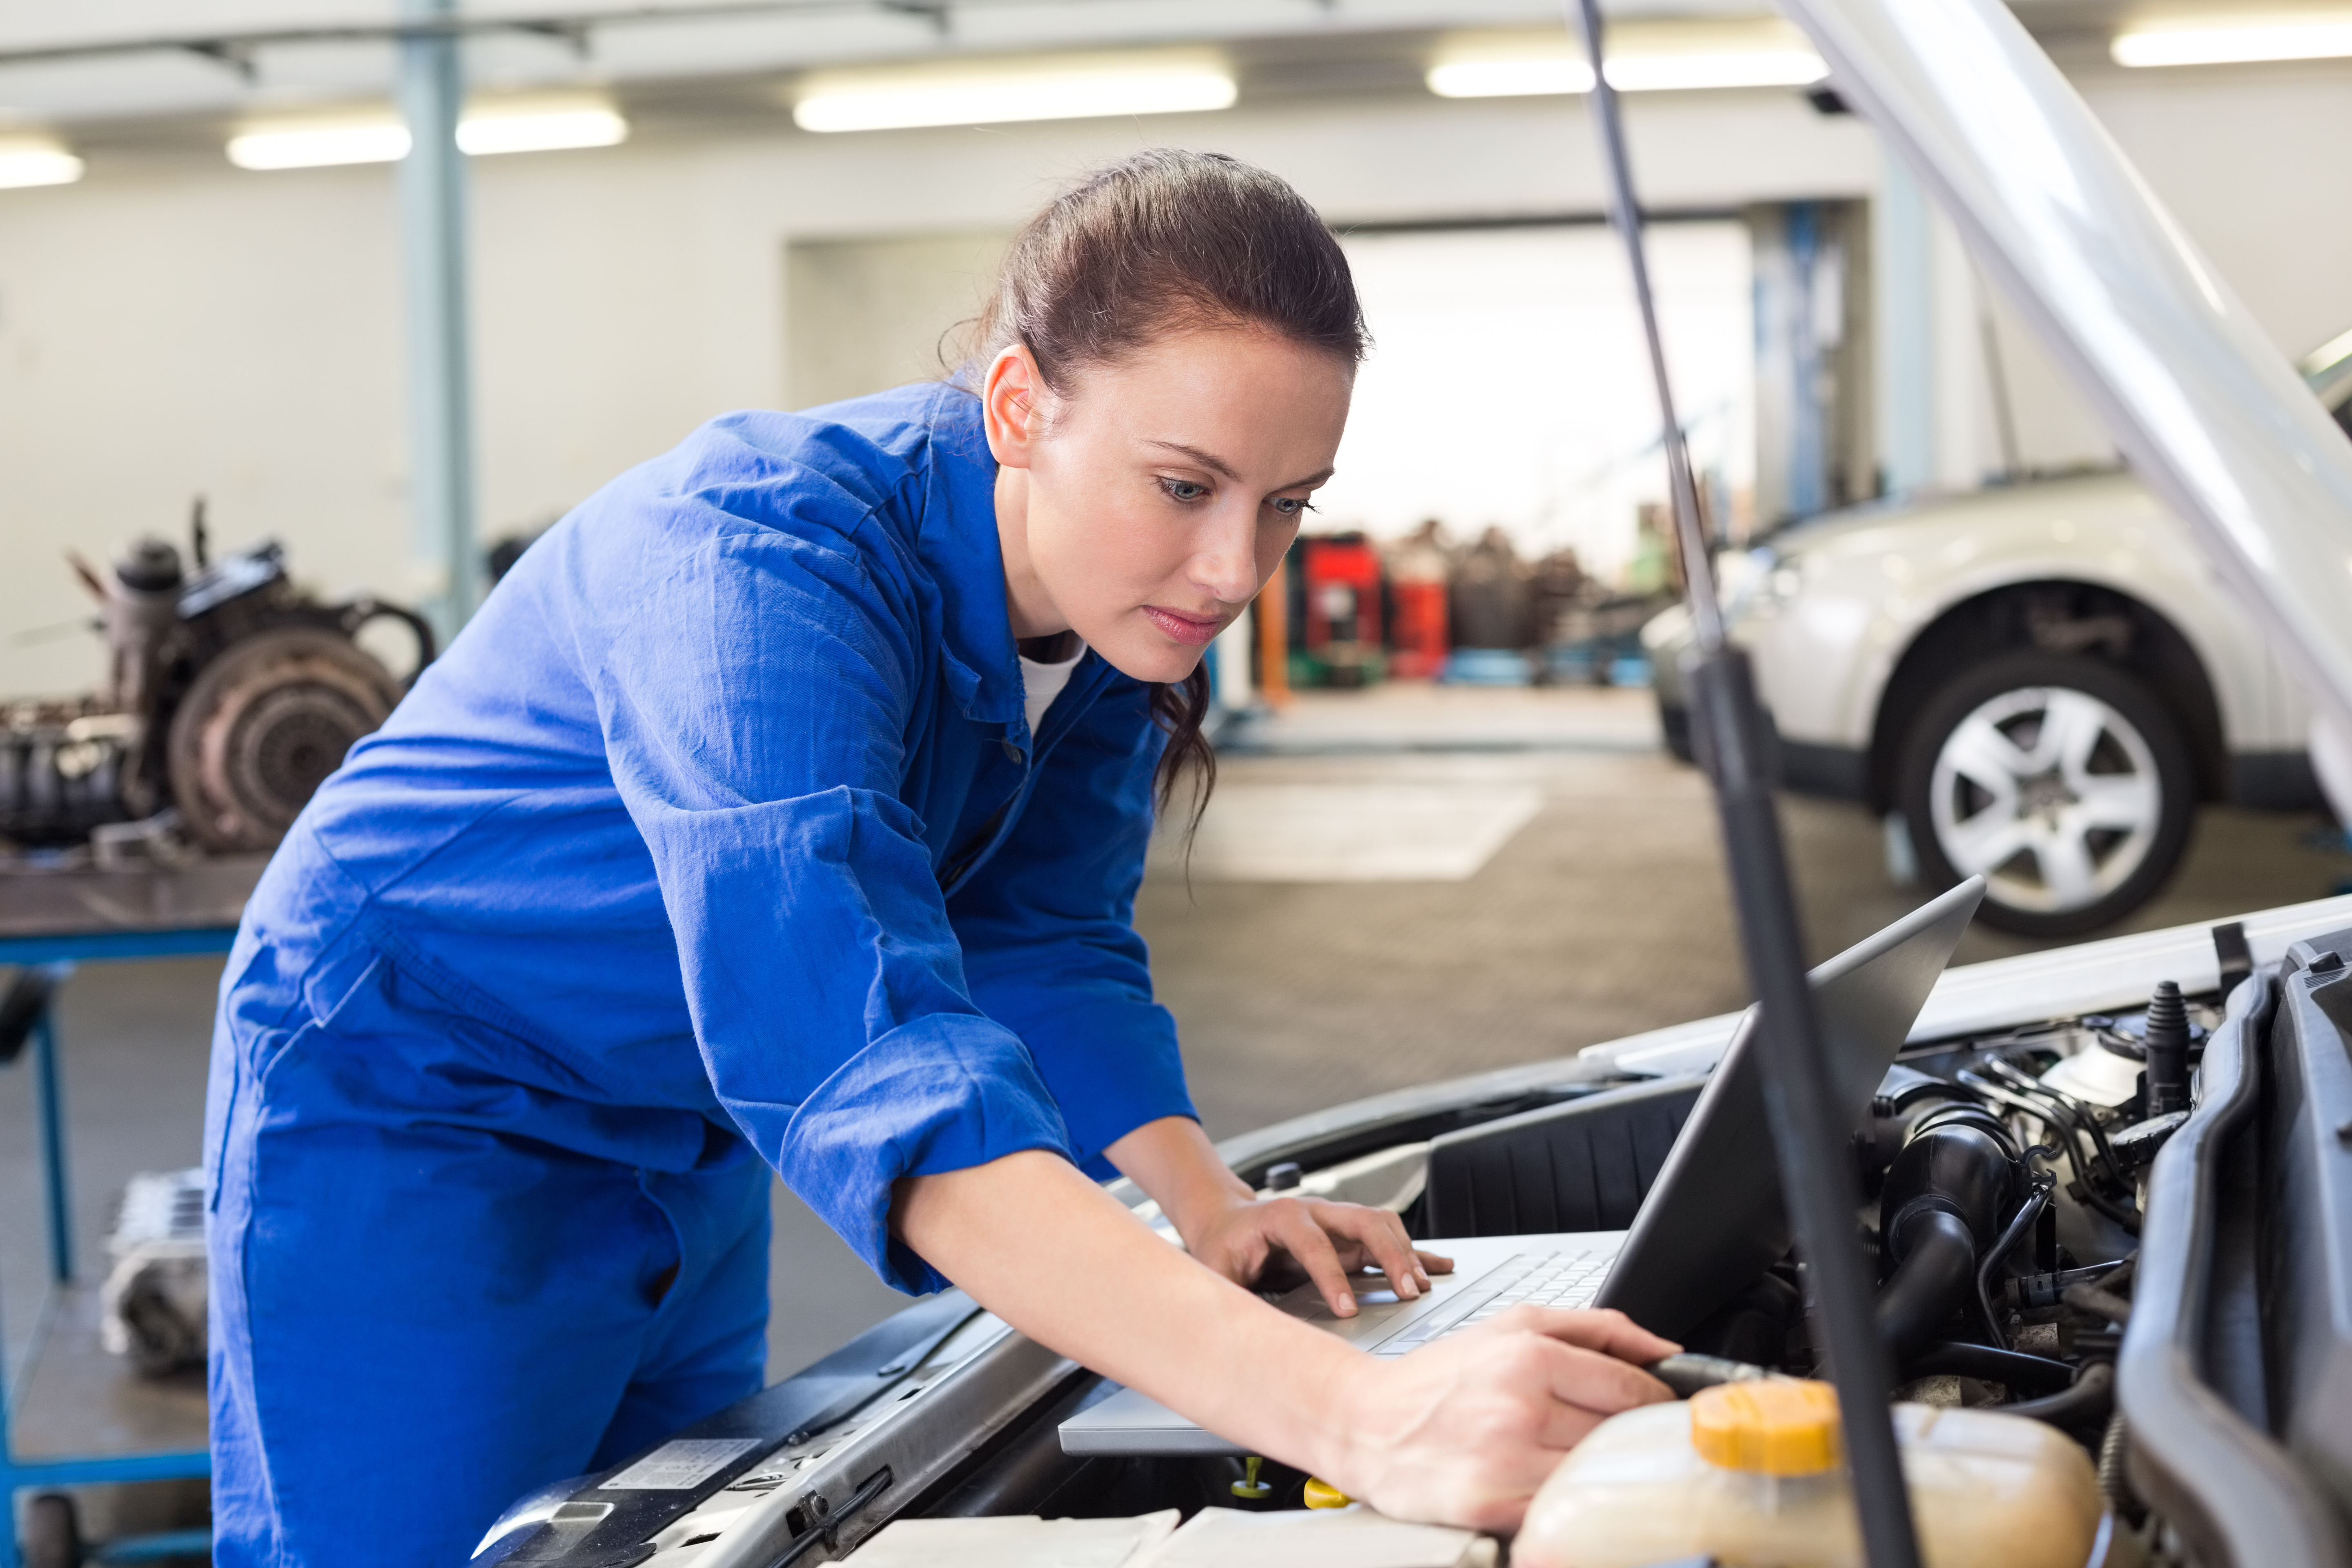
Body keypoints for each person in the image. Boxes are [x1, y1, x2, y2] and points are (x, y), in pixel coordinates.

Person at [203, 149, 1675, 1564]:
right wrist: (1359, 1415)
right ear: (1021, 403)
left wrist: (1211, 1206)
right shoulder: (754, 572)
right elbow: (861, 1054)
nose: (1236, 570)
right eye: (1185, 486)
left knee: (642, 1544)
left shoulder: (1118, 620)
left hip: (683, 1120)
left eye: (1286, 503)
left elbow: (1043, 937)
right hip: (416, 1113)